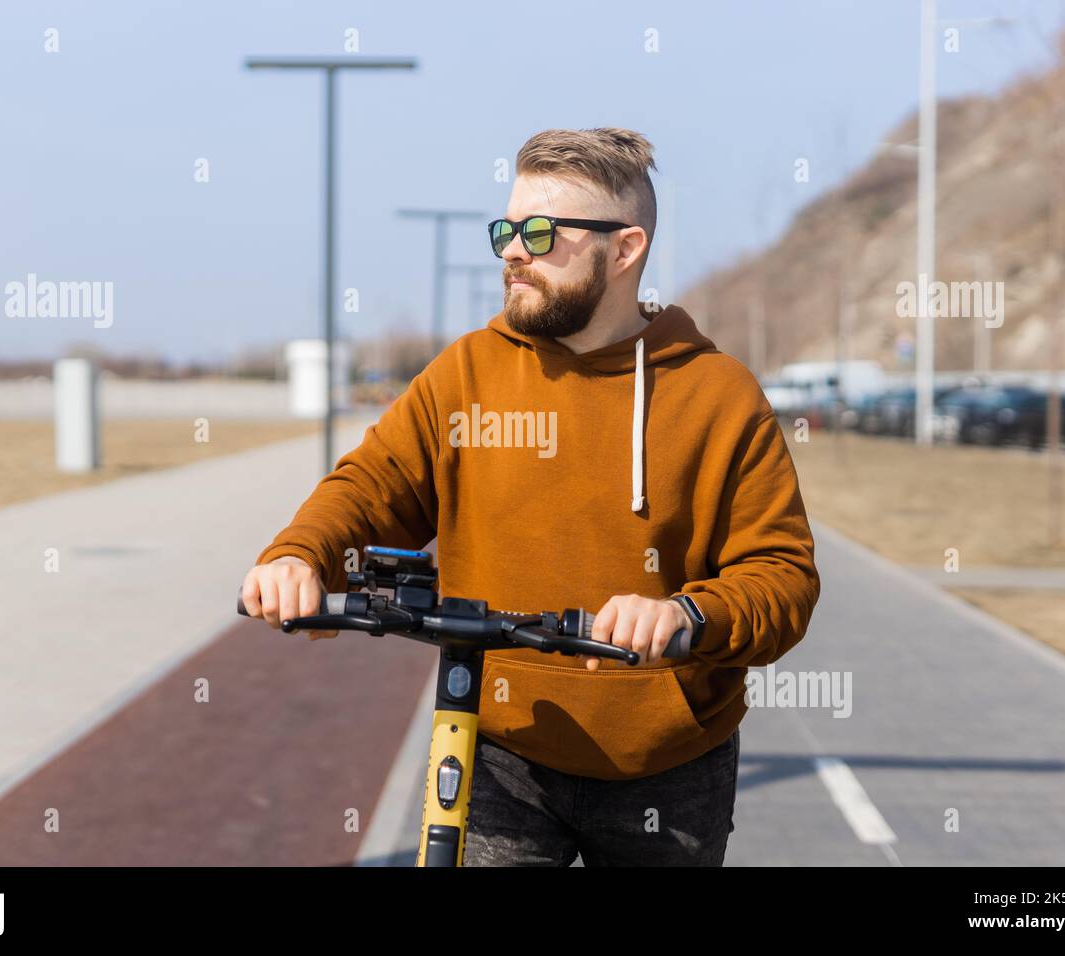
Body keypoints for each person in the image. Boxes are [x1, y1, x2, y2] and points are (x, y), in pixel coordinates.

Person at [241, 127, 820, 866]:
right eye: (507, 230)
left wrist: (686, 614)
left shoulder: (718, 395)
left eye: (542, 233)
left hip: (669, 766)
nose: (514, 250)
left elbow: (782, 576)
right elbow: (369, 488)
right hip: (495, 748)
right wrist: (299, 554)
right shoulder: (467, 373)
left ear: (626, 249)